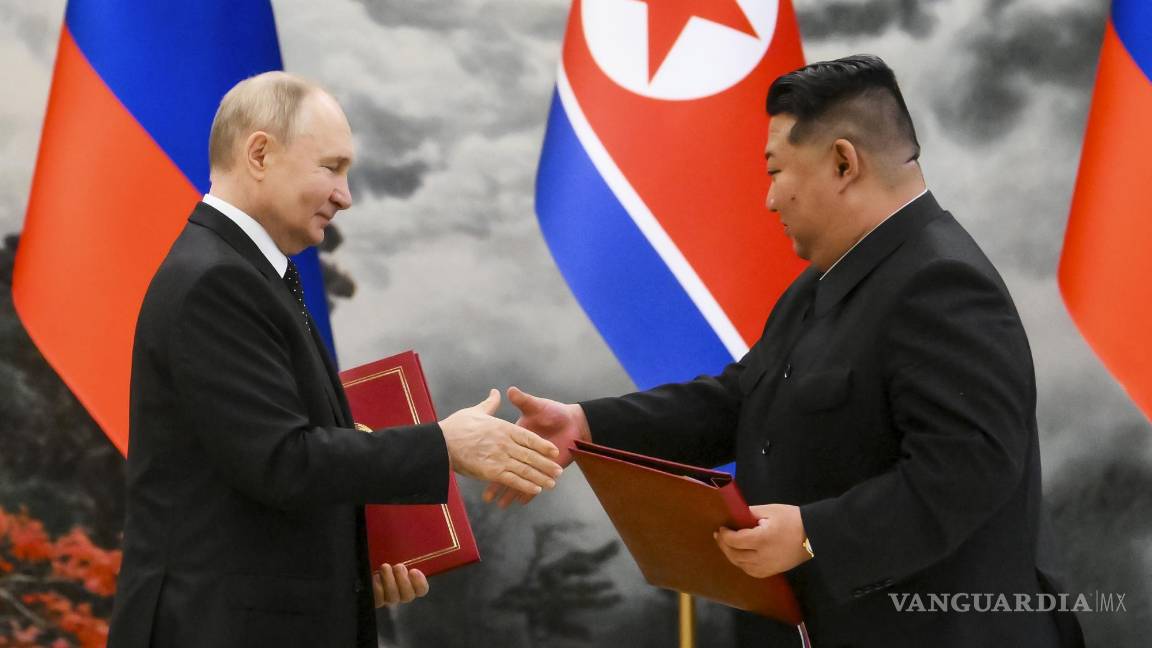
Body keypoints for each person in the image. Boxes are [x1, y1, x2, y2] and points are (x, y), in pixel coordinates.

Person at [490, 56, 1083, 647]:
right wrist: (586, 424)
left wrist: (811, 534)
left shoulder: (943, 281)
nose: (770, 200)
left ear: (843, 163)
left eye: (776, 172)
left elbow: (969, 471)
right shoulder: (826, 279)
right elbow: (743, 399)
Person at [107, 71, 563, 648]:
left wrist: (351, 573)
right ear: (260, 153)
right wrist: (444, 444)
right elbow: (282, 461)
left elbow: (250, 481)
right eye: (332, 167)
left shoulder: (241, 271)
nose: (345, 195)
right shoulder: (217, 280)